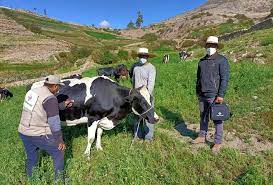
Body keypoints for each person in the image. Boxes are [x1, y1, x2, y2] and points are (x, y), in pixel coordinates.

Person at [18, 75, 74, 180]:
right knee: (58, 151)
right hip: (38, 133)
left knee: (32, 156)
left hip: (24, 132)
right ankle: (59, 180)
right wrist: (59, 140)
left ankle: (32, 179)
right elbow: (54, 122)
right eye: (58, 86)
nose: (58, 89)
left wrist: (62, 105)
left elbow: (40, 106)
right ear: (54, 86)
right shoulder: (50, 98)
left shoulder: (32, 92)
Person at [192, 36, 230, 154]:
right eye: (209, 45)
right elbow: (198, 78)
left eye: (213, 45)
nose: (210, 47)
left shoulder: (222, 60)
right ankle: (202, 136)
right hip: (202, 94)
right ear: (206, 46)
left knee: (217, 118)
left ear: (216, 47)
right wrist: (198, 91)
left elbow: (224, 79)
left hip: (214, 95)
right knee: (203, 116)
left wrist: (221, 95)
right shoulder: (201, 61)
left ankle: (217, 142)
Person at [130, 48, 156, 141]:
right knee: (136, 115)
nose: (142, 58)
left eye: (144, 56)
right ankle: (137, 135)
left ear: (147, 57)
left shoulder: (151, 68)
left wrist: (146, 96)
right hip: (136, 95)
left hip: (146, 96)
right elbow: (132, 80)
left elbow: (151, 83)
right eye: (141, 56)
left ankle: (148, 137)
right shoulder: (135, 67)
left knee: (148, 116)